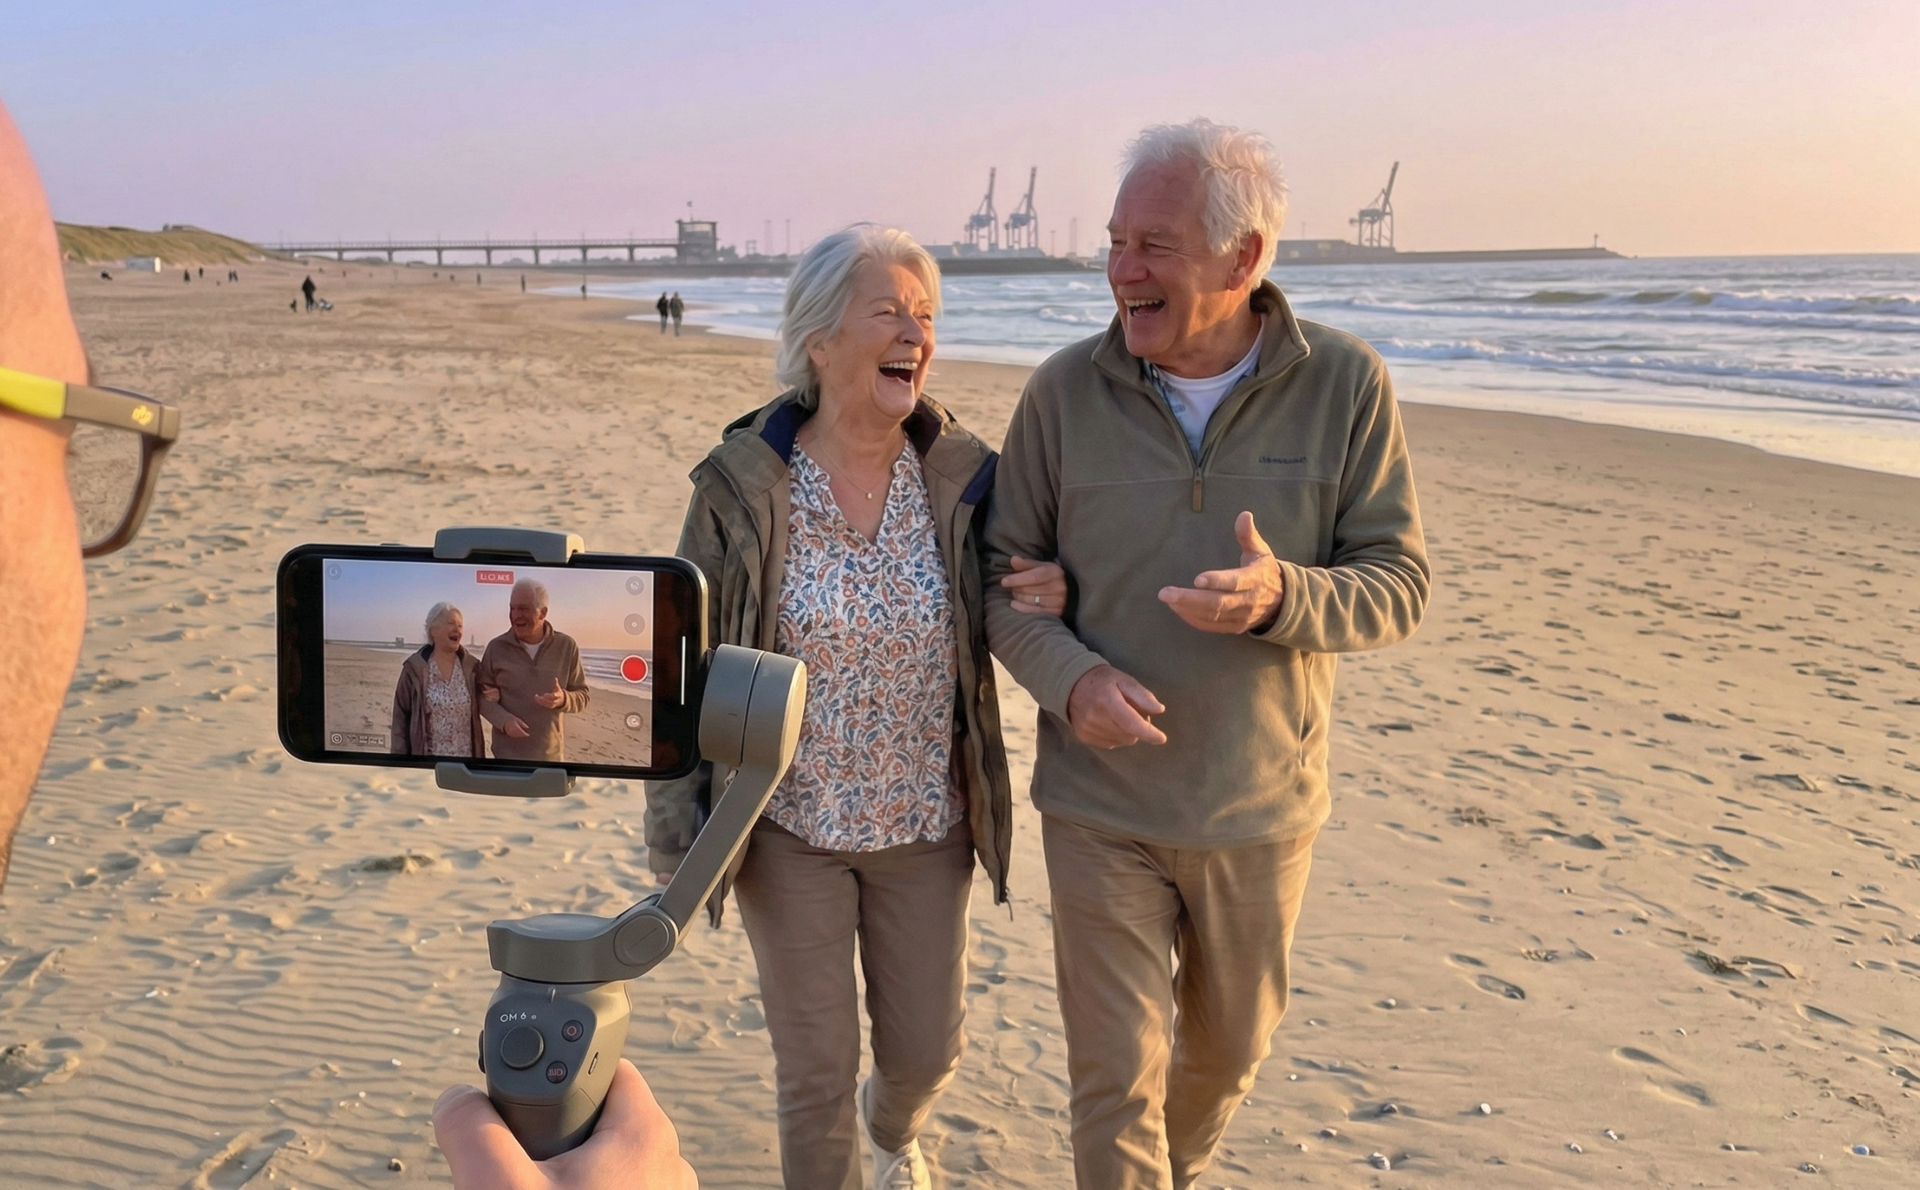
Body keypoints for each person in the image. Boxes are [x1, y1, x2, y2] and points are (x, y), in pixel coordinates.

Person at [983, 119, 1431, 1190]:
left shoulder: (1348, 386)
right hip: (1100, 807)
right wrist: (1073, 678)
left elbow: (1398, 584)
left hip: (1259, 807)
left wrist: (1287, 594)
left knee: (1227, 1056)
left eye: (1154, 245)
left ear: (1244, 259)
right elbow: (1004, 587)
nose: (1121, 270)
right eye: (1116, 240)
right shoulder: (1060, 394)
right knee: (1113, 1082)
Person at [646, 225, 1066, 1190]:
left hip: (927, 822)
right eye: (888, 310)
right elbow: (683, 663)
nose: (914, 332)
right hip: (786, 822)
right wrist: (678, 833)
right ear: (821, 339)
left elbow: (1027, 583)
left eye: (926, 315)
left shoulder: (966, 479)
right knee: (815, 1073)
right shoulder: (743, 487)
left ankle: (895, 1126)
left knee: (925, 1052)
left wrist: (1053, 587)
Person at [476, 577, 588, 762]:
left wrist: (563, 699)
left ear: (543, 613)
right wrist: (504, 721)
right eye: (512, 608)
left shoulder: (566, 646)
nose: (515, 615)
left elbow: (583, 696)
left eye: (523, 608)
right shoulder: (496, 648)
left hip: (549, 758)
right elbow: (481, 697)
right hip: (505, 758)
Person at [390, 602, 486, 757]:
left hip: (467, 769)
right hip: (428, 768)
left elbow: (489, 698)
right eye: (451, 623)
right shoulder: (414, 669)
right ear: (433, 630)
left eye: (460, 625)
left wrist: (494, 693)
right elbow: (399, 721)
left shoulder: (472, 668)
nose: (457, 629)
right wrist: (399, 762)